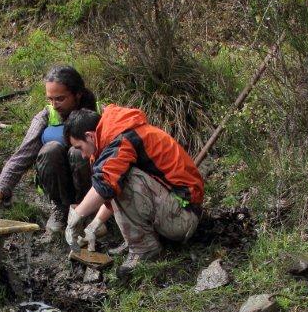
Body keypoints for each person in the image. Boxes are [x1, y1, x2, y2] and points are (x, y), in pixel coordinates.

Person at [63, 105, 204, 275]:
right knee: (115, 177)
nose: (83, 155)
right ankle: (139, 240)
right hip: (174, 208)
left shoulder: (123, 139)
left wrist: (76, 216)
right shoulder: (116, 137)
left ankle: (144, 249)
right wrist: (93, 226)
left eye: (79, 147)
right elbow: (111, 193)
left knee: (120, 176)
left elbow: (107, 184)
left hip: (184, 216)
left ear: (90, 136)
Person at [0, 66, 99, 234]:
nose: (54, 105)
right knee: (51, 149)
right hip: (58, 183)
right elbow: (21, 158)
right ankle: (61, 209)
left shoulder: (98, 115)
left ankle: (90, 212)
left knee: (78, 152)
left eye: (60, 99)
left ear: (77, 94)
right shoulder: (45, 116)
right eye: (50, 99)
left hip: (92, 185)